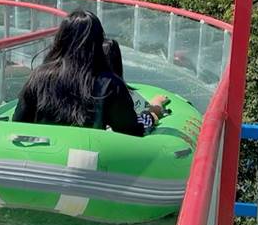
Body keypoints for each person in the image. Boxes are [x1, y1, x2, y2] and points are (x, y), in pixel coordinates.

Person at [11, 11, 166, 137]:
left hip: (45, 159)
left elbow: (18, 122)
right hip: (87, 161)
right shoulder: (110, 84)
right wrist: (152, 115)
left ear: (60, 39)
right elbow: (131, 131)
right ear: (98, 43)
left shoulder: (39, 77)